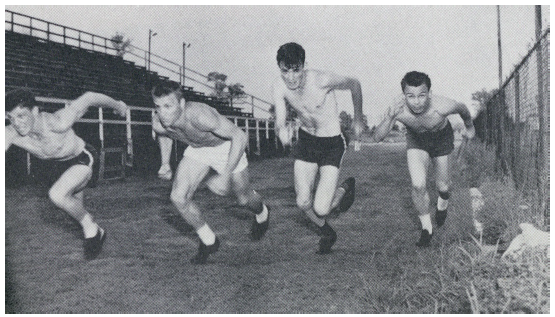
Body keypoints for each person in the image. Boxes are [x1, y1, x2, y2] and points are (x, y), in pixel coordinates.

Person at [151, 81, 270, 264]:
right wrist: (165, 162)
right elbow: (164, 134)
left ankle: (262, 213)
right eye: (158, 107)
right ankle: (209, 240)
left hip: (225, 147)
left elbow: (239, 135)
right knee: (178, 197)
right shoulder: (159, 120)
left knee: (244, 199)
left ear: (181, 104)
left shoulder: (200, 115)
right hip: (197, 149)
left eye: (168, 106)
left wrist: (225, 174)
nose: (163, 112)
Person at [5, 89, 128, 260]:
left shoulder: (58, 122)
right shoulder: (10, 133)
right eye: (10, 117)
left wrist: (118, 105)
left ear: (34, 111)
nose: (16, 123)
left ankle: (92, 228)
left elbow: (89, 97)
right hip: (57, 168)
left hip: (82, 158)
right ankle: (94, 230)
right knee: (73, 205)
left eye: (21, 116)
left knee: (57, 194)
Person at [272, 42, 363, 254]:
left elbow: (355, 84)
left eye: (296, 70)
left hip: (331, 142)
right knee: (303, 202)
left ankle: (345, 188)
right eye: (285, 71)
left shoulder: (321, 80)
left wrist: (358, 118)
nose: (291, 77)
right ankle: (327, 232)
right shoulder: (279, 86)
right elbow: (280, 118)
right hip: (306, 142)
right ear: (280, 68)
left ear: (304, 65)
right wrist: (280, 129)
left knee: (321, 208)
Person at [372, 71, 475, 247]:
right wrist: (389, 117)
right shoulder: (398, 109)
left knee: (443, 186)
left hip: (442, 139)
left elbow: (463, 109)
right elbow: (377, 137)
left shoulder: (442, 105)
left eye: (422, 95)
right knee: (418, 184)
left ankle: (442, 205)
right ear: (404, 95)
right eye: (410, 96)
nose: (417, 102)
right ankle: (427, 229)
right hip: (416, 141)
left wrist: (469, 126)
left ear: (429, 93)